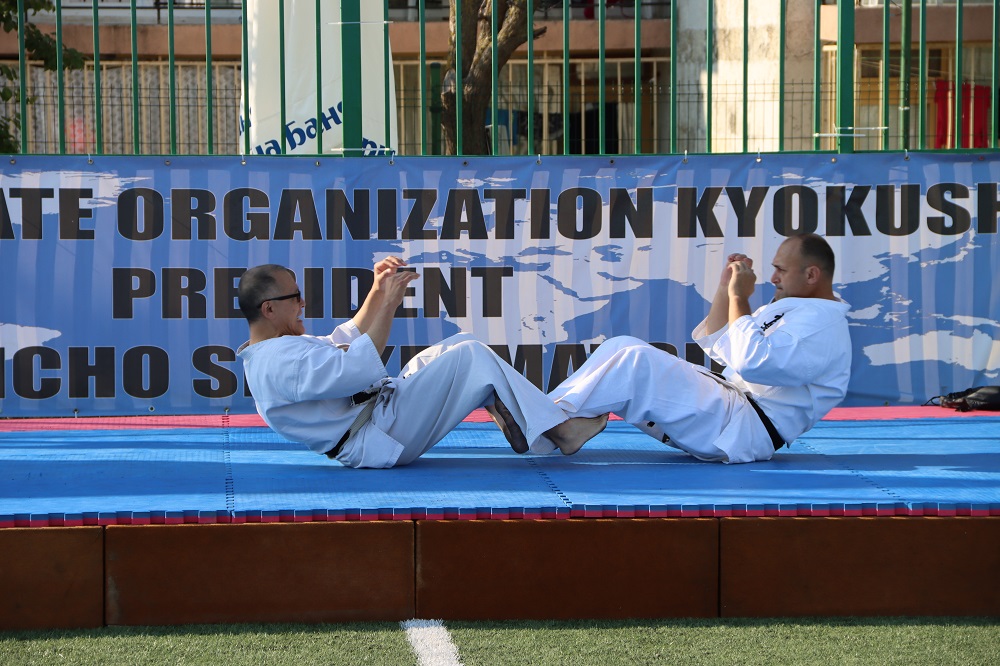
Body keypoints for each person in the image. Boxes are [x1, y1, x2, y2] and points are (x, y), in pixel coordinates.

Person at [236, 258, 606, 468]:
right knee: (472, 357)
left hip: (380, 417)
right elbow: (356, 369)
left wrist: (378, 289)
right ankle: (560, 432)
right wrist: (390, 304)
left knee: (462, 344)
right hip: (375, 434)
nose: (302, 303)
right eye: (295, 297)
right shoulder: (276, 363)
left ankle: (518, 422)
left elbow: (348, 336)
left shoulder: (277, 349)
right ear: (269, 309)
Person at [542, 233, 852, 463]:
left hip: (743, 426)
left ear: (811, 275)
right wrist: (726, 288)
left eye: (781, 269)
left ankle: (543, 424)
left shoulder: (822, 324)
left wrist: (739, 298)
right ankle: (554, 424)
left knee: (635, 361)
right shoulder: (799, 311)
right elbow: (720, 342)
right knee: (621, 346)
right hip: (728, 414)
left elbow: (751, 361)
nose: (773, 278)